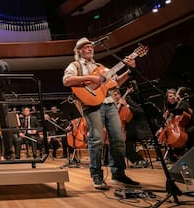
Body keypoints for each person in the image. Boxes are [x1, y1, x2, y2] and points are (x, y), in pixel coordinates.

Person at [63, 37, 140, 190]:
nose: (90, 48)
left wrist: (130, 70)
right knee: (97, 140)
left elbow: (115, 82)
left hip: (110, 104)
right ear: (79, 51)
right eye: (85, 47)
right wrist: (91, 77)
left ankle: (118, 173)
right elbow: (67, 80)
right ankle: (97, 175)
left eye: (91, 46)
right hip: (91, 105)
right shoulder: (75, 65)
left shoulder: (101, 67)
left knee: (118, 140)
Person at [111, 87, 151, 168]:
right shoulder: (113, 104)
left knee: (122, 144)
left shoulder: (127, 100)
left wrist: (127, 105)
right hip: (123, 129)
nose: (114, 97)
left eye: (116, 95)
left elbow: (139, 111)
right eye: (113, 95)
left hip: (134, 128)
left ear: (119, 94)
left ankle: (140, 160)